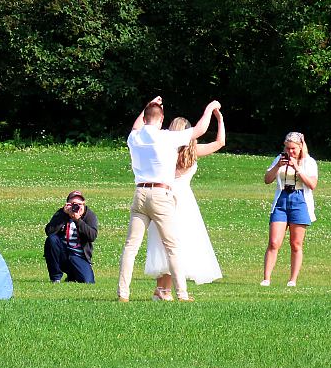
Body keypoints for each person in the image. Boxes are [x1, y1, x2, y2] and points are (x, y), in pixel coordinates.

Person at [117, 96, 222, 302]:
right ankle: (181, 293)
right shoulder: (166, 137)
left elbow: (136, 126)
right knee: (172, 246)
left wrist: (147, 105)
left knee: (131, 247)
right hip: (160, 195)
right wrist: (210, 107)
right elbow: (200, 130)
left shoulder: (134, 138)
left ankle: (123, 293)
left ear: (145, 117)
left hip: (139, 193)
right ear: (162, 118)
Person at [145, 111, 225, 301]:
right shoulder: (192, 151)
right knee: (176, 244)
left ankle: (162, 289)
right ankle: (164, 290)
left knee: (163, 242)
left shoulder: (164, 149)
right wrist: (220, 119)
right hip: (182, 199)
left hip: (164, 195)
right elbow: (219, 142)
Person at [260, 132, 318, 287]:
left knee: (296, 243)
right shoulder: (280, 159)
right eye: (287, 148)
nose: (290, 152)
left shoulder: (309, 162)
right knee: (274, 242)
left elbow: (312, 185)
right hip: (282, 199)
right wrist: (279, 165)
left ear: (300, 147)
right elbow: (267, 179)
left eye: (293, 149)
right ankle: (266, 278)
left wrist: (297, 168)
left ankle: (292, 280)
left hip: (300, 201)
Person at [44, 190, 98, 283]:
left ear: (83, 204)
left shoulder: (89, 215)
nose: (76, 207)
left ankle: (72, 275)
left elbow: (92, 236)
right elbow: (49, 231)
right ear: (67, 204)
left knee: (88, 281)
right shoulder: (62, 213)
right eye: (73, 204)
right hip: (63, 253)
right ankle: (55, 278)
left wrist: (78, 220)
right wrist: (63, 215)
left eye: (79, 204)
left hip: (79, 256)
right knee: (52, 240)